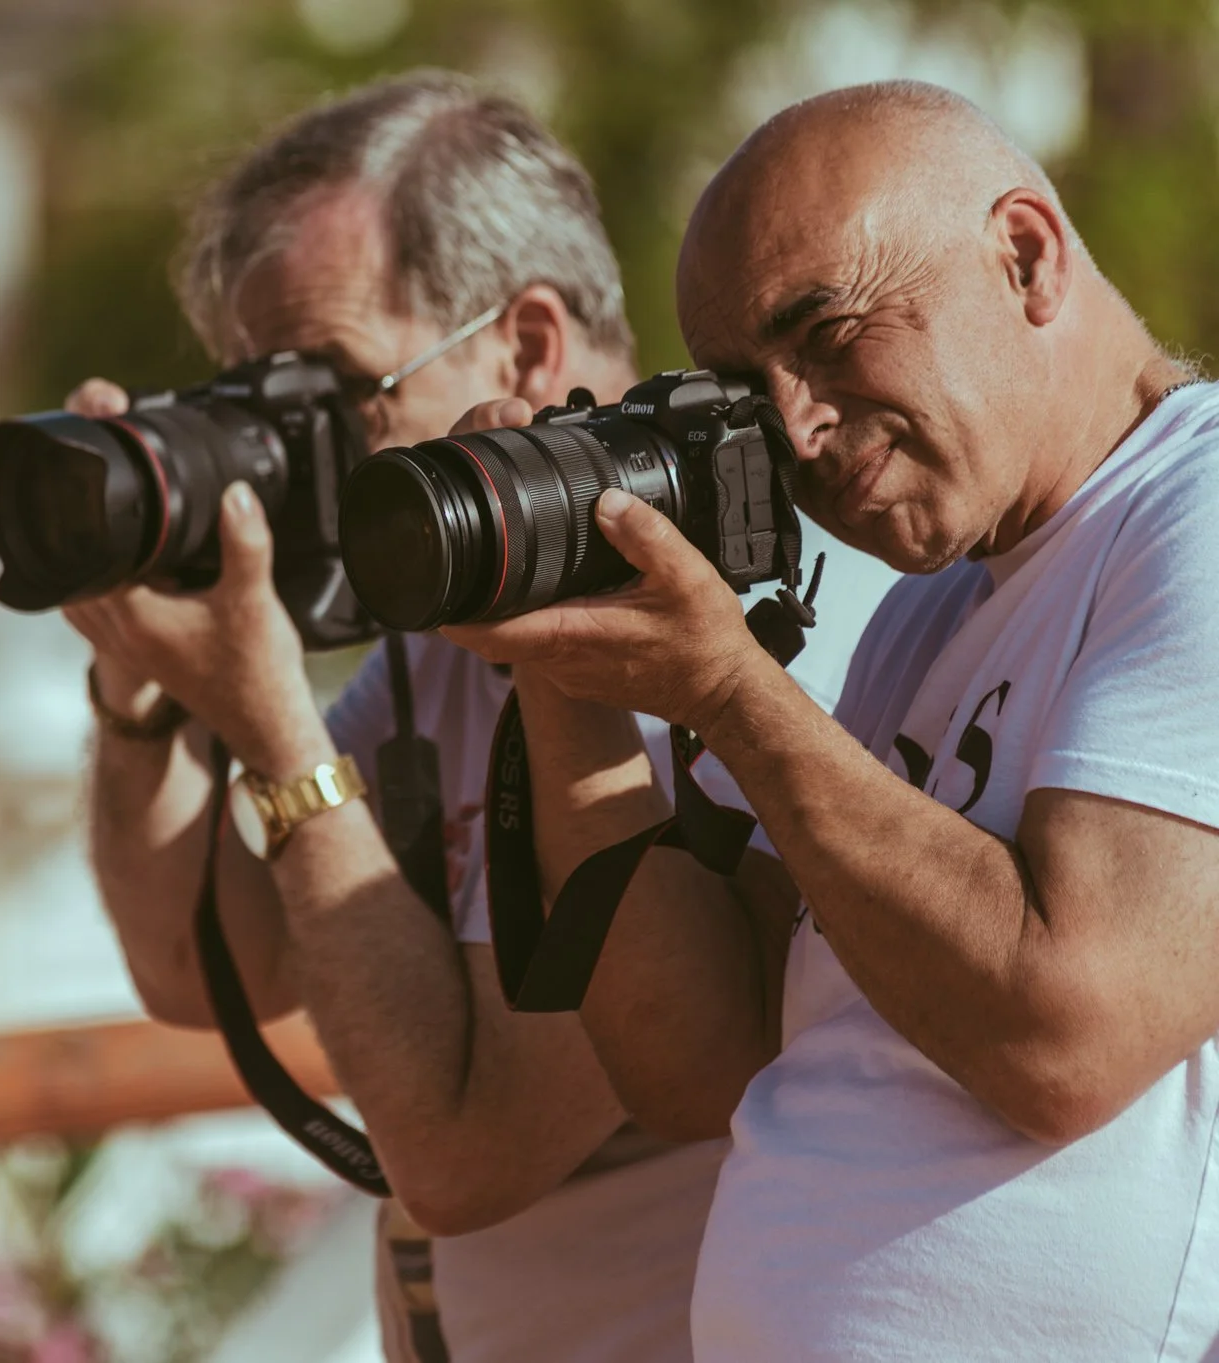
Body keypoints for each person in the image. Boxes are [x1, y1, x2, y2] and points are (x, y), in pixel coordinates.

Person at [64, 72, 894, 1361]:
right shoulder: (456, 628)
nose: (290, 465)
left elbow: (462, 1150)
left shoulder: (713, 622)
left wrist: (278, 727)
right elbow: (199, 967)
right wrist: (135, 686)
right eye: (252, 408)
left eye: (323, 398)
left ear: (523, 345)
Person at [447, 79, 1219, 1360]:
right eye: (748, 385)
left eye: (827, 330)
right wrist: (560, 646)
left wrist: (732, 698)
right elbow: (699, 1054)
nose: (794, 427)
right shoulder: (930, 610)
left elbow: (1063, 1035)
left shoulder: (1190, 516)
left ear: (1022, 256)